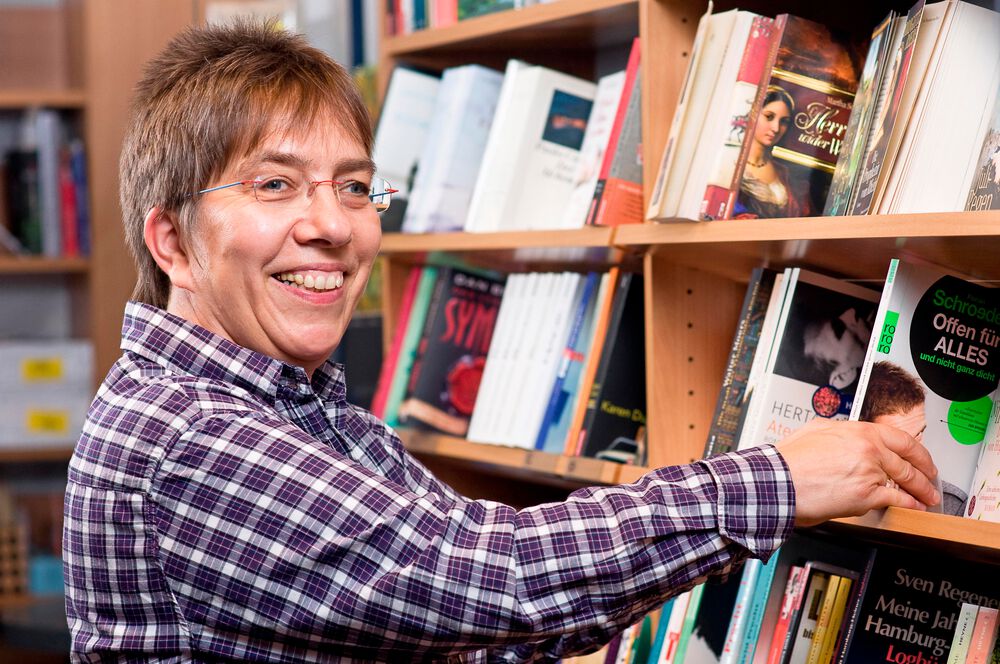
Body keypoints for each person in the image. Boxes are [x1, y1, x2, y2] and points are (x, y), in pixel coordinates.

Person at [63, 21, 940, 662]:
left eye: (355, 187)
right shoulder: (187, 435)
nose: (332, 225)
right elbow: (491, 577)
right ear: (173, 243)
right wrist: (776, 481)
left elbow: (494, 628)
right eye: (273, 185)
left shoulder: (305, 412)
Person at [858, 361, 966, 516]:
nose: (918, 452)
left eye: (919, 433)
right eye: (899, 442)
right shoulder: (832, 494)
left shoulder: (953, 505)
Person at [733, 85, 811, 219]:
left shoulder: (785, 174)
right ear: (752, 114)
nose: (776, 128)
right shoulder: (730, 165)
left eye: (784, 122)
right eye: (769, 117)